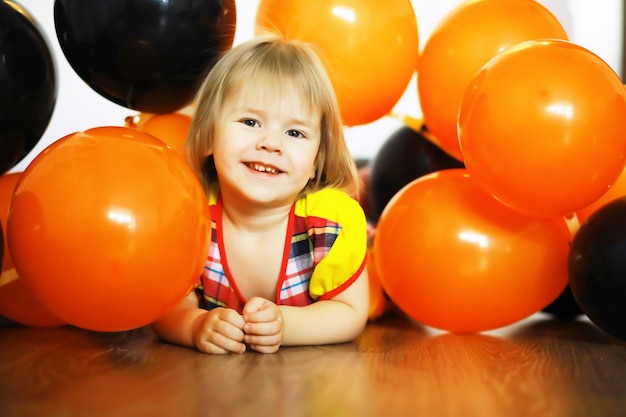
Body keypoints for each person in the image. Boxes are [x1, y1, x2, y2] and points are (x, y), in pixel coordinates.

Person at [152, 35, 369, 354]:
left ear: (315, 162)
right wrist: (195, 325)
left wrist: (285, 324)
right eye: (250, 121)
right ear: (210, 135)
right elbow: (166, 308)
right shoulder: (189, 218)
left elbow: (349, 312)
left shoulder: (329, 224)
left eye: (295, 132)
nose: (271, 143)